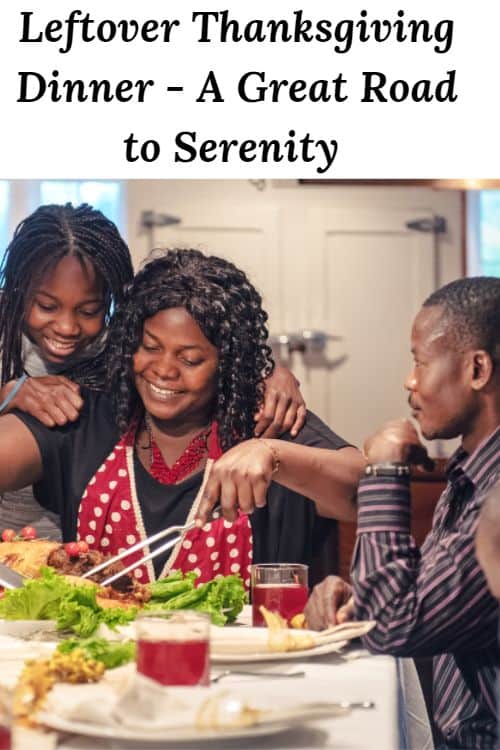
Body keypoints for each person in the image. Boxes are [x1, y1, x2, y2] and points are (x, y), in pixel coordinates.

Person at [0, 248, 363, 586]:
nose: (164, 370)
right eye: (150, 347)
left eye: (189, 359)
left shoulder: (265, 420)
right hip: (103, 655)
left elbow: (363, 491)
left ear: (227, 364)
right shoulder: (89, 416)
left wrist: (275, 454)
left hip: (246, 655)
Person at [0, 206, 307, 539]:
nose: (66, 327)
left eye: (90, 310)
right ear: (17, 289)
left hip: (59, 542)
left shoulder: (119, 349)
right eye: (47, 306)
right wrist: (7, 395)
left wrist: (271, 372)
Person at [305, 277, 500, 749]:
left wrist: (386, 470)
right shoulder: (470, 474)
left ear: (477, 369)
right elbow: (421, 600)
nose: (409, 381)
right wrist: (360, 598)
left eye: (420, 361)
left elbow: (393, 624)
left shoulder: (496, 495)